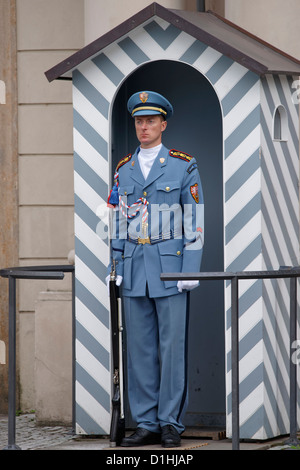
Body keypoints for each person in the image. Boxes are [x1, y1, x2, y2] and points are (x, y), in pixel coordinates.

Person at [107, 91, 204, 447]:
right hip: (133, 269)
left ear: (163, 124)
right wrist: (114, 264)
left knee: (172, 348)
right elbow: (117, 221)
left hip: (170, 270)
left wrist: (190, 268)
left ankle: (169, 424)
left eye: (150, 121)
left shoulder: (182, 165)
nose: (144, 127)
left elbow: (194, 219)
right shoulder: (124, 169)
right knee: (140, 350)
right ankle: (146, 423)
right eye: (138, 121)